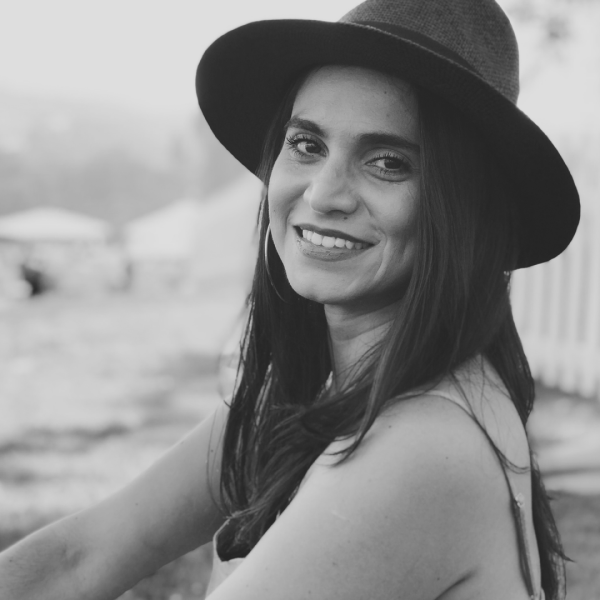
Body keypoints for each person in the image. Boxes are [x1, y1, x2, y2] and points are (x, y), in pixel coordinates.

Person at [0, 0, 580, 598]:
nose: (324, 193)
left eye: (387, 162)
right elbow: (81, 557)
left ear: (465, 209)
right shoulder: (316, 394)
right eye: (306, 144)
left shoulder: (423, 449)